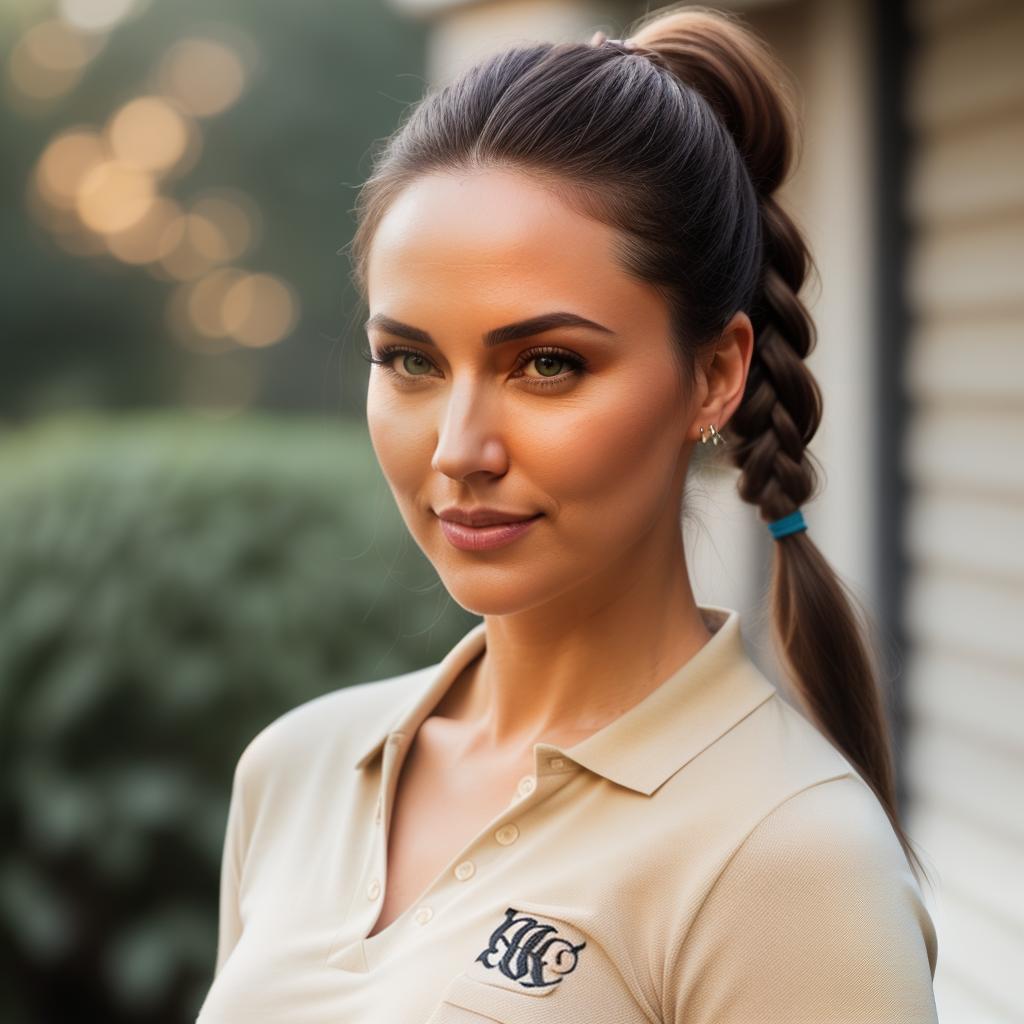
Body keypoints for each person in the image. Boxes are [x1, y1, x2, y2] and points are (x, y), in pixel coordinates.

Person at [196, 4, 939, 1022]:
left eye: (547, 364)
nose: (459, 448)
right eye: (409, 360)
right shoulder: (299, 768)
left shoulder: (790, 861)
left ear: (715, 373)